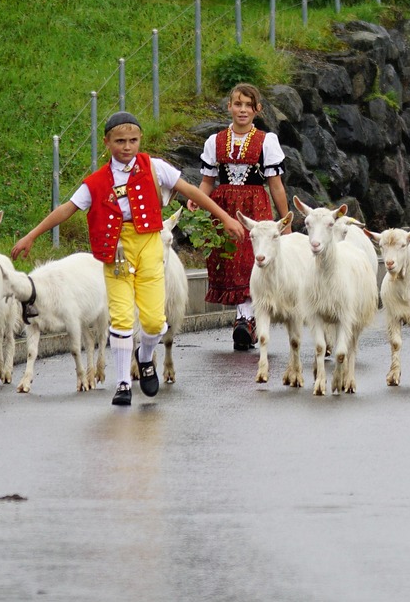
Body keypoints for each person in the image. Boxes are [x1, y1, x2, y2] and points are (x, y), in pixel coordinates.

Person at [12, 111, 245, 406]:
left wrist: (224, 217)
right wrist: (32, 235)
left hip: (149, 244)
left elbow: (191, 192)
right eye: (120, 141)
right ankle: (122, 382)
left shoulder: (155, 168)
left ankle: (145, 357)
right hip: (117, 249)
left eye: (133, 140)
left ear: (140, 141)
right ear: (107, 142)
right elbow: (67, 209)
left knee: (153, 321)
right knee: (122, 318)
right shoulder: (96, 183)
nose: (127, 146)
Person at [190, 83, 289, 350]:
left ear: (257, 109)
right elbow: (208, 180)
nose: (242, 110)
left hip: (255, 207)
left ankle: (246, 320)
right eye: (237, 104)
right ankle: (244, 318)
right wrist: (197, 200)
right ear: (229, 107)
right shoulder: (216, 140)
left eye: (248, 105)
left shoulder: (266, 141)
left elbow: (276, 185)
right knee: (229, 260)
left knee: (250, 260)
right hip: (224, 208)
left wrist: (285, 221)